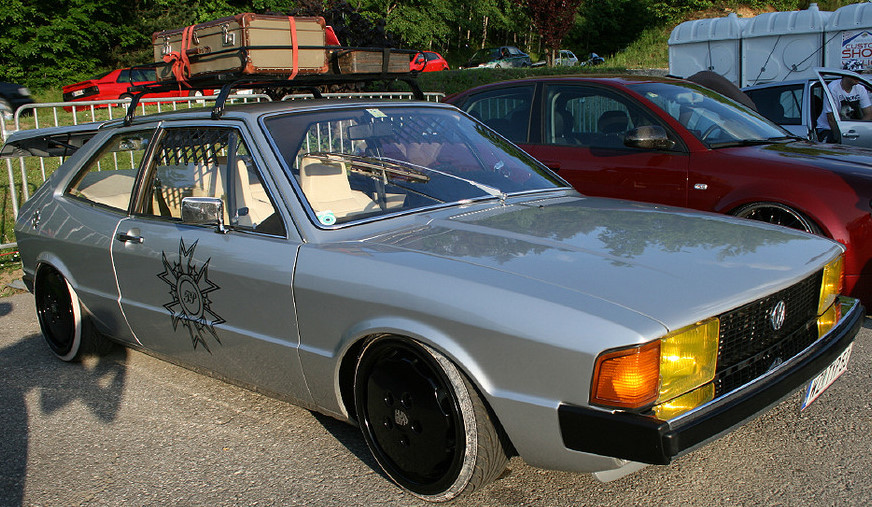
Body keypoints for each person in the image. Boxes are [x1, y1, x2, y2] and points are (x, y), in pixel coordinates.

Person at [816, 60, 872, 143]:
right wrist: (839, 138)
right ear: (846, 74)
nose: (858, 76)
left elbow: (869, 113)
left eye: (860, 73)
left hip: (849, 130)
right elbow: (831, 118)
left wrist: (857, 129)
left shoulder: (861, 88)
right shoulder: (833, 88)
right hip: (828, 128)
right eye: (855, 73)